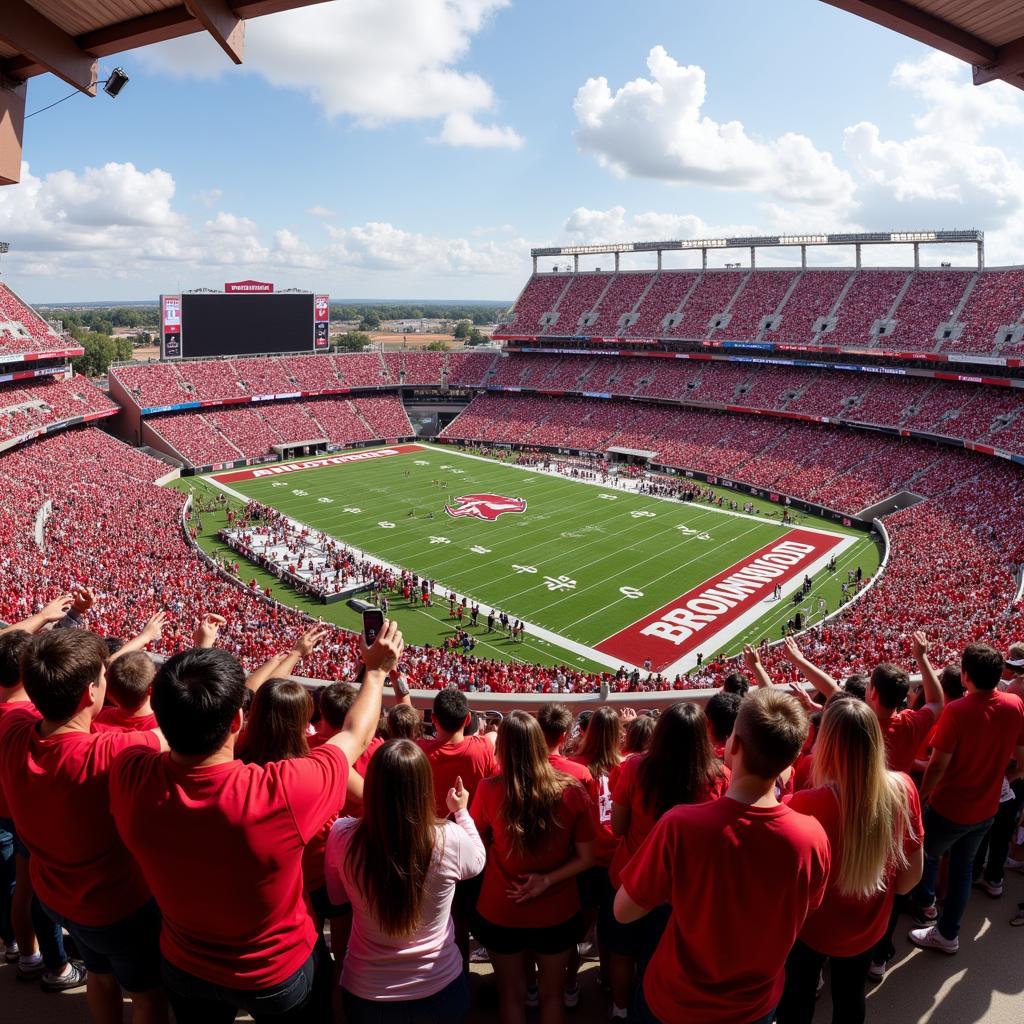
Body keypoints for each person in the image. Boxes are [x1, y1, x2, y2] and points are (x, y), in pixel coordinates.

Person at [110, 619, 404, 1023]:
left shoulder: (128, 772)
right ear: (236, 722)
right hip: (274, 973)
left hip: (184, 963)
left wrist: (205, 653)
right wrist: (375, 671)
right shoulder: (282, 791)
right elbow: (354, 734)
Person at [614, 688, 830, 1024]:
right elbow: (805, 912)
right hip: (754, 1003)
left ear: (735, 745)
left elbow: (624, 911)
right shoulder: (813, 836)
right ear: (793, 757)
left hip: (678, 1000)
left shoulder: (682, 825)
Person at [0, 628, 168, 1023]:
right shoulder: (111, 751)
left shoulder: (12, 730)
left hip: (58, 898)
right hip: (116, 906)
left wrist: (137, 642)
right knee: (147, 996)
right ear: (92, 693)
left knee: (100, 973)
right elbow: (183, 729)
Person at [775, 697, 923, 1024]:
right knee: (851, 998)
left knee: (797, 1000)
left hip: (811, 930)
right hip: (869, 926)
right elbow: (911, 877)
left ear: (826, 745)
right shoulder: (904, 790)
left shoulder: (804, 802)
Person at [324, 740, 485, 1023]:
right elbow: (478, 861)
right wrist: (461, 811)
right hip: (440, 989)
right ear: (423, 787)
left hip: (367, 993)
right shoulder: (450, 838)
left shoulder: (341, 836)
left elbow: (338, 899)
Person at [606, 702, 730, 1021]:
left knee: (622, 951)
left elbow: (618, 827)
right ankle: (649, 1006)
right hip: (684, 888)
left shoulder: (634, 768)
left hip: (632, 879)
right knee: (660, 955)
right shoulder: (719, 776)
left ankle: (621, 1008)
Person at [470, 710, 595, 1024]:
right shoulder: (571, 788)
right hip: (557, 910)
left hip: (502, 907)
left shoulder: (488, 789)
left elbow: (475, 844)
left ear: (503, 749)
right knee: (552, 995)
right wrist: (547, 880)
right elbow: (587, 857)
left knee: (511, 995)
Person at [909, 643, 1024, 954]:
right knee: (963, 868)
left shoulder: (957, 711)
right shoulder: (1014, 704)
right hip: (987, 807)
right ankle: (948, 934)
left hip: (950, 806)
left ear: (966, 676)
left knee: (927, 856)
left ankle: (926, 906)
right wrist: (1002, 779)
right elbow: (1021, 759)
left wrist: (921, 795)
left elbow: (937, 765)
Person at [782, 633, 943, 773]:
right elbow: (936, 701)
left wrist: (798, 659)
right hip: (896, 799)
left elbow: (832, 690)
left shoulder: (858, 723)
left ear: (873, 692)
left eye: (868, 684)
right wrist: (922, 658)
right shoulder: (911, 724)